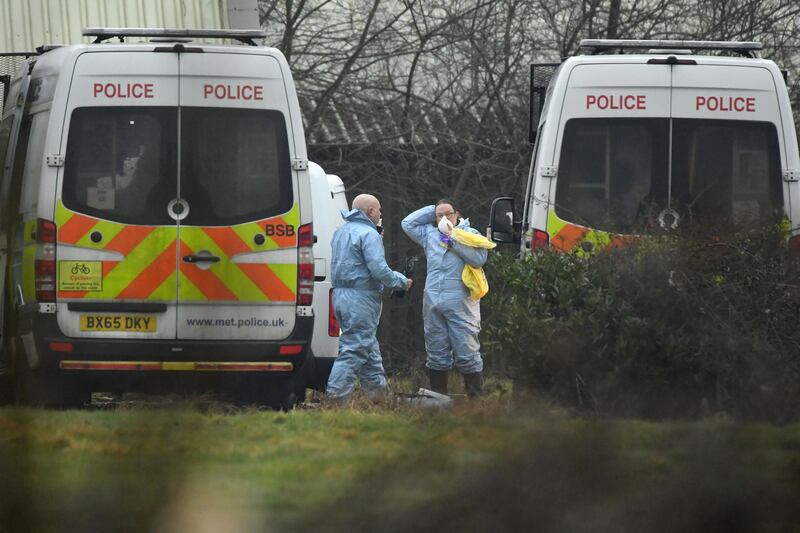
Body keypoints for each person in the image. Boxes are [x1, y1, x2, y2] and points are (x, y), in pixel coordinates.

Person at [326, 194, 412, 400]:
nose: (381, 214)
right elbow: (378, 269)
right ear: (371, 211)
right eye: (379, 210)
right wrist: (401, 281)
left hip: (340, 296)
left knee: (368, 347)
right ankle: (336, 399)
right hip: (360, 299)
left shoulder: (341, 232)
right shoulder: (368, 234)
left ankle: (379, 396)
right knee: (355, 348)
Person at [402, 200, 488, 397]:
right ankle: (438, 399)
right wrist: (434, 210)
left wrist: (453, 242)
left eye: (448, 213)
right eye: (439, 216)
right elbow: (407, 224)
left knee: (466, 350)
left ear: (457, 214)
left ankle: (475, 401)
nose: (443, 218)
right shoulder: (430, 234)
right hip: (432, 301)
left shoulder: (471, 234)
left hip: (461, 302)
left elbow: (479, 260)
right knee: (436, 351)